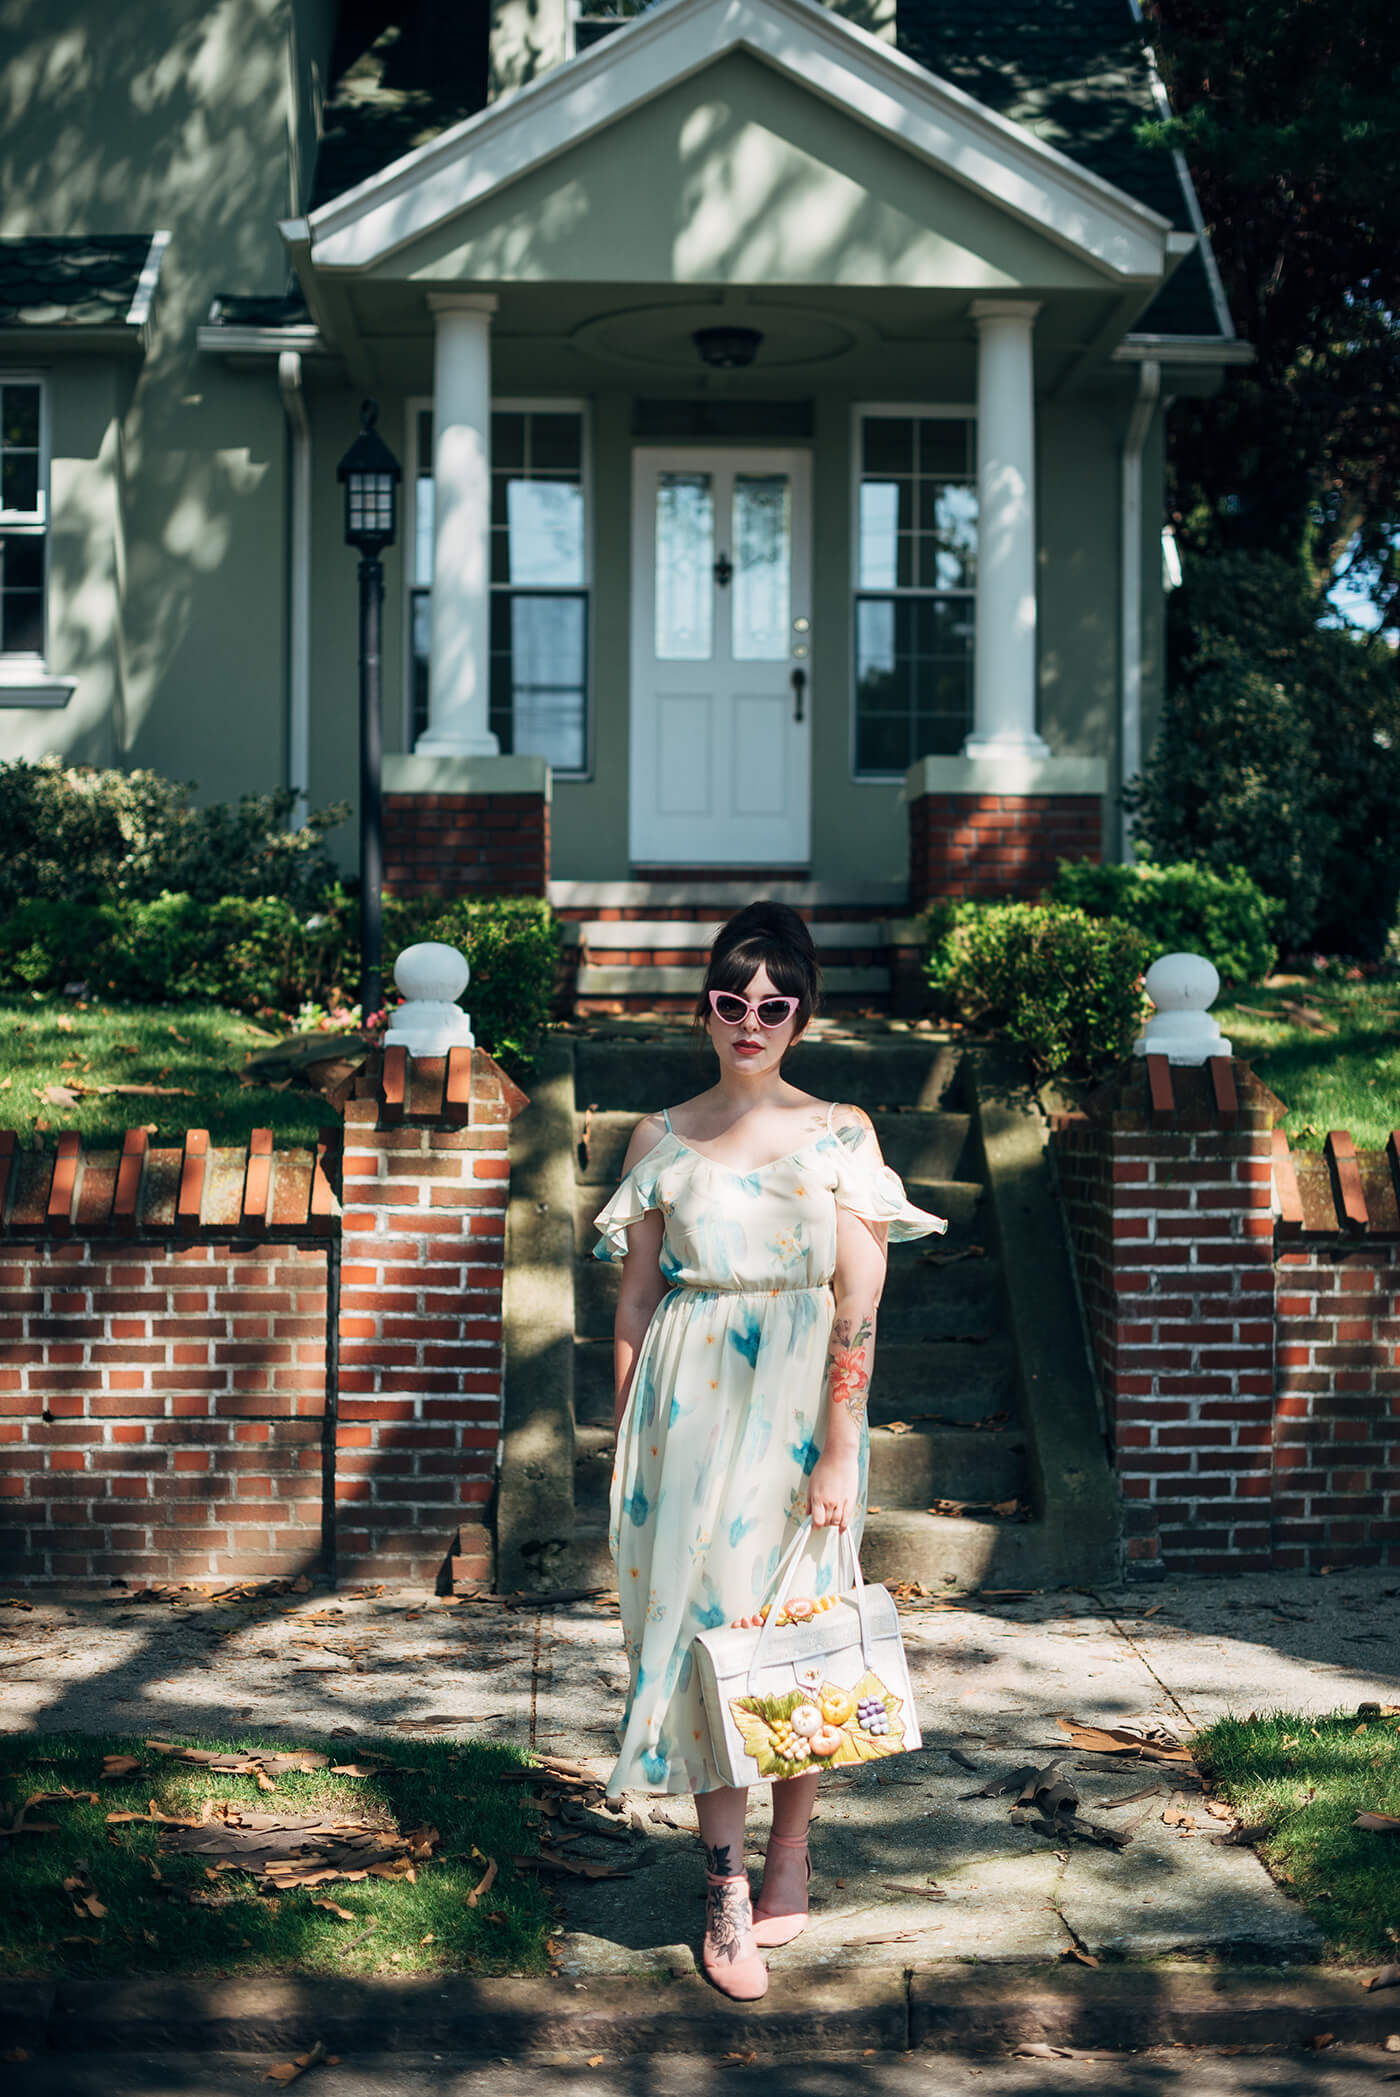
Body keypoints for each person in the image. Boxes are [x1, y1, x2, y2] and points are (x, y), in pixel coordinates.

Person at [592, 901, 947, 2000]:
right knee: (704, 1648)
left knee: (793, 1642)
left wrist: (840, 1453)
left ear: (799, 1016)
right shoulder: (657, 1139)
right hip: (684, 1422)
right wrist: (629, 1448)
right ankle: (725, 1887)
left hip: (798, 1416)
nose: (749, 1020)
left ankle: (790, 1849)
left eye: (772, 1004)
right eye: (730, 1001)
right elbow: (634, 1306)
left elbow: (857, 1306)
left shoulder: (839, 1134)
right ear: (703, 1008)